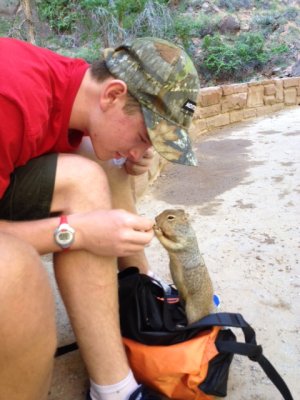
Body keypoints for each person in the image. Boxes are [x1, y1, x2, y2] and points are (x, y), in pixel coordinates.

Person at [0, 36, 200, 400]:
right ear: (112, 95)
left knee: (102, 163)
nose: (143, 152)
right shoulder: (10, 99)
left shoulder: (72, 86)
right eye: (144, 136)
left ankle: (139, 291)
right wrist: (74, 233)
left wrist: (126, 156)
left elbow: (97, 148)